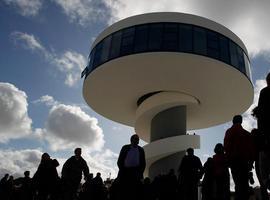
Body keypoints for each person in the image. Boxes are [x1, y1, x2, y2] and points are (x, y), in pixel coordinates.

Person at [224, 115, 255, 200]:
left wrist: (228, 160)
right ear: (241, 121)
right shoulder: (246, 134)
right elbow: (251, 149)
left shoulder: (229, 132)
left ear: (233, 121)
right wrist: (251, 161)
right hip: (244, 161)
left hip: (234, 161)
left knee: (238, 183)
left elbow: (227, 147)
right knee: (244, 183)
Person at [117, 134, 146, 200]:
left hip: (136, 173)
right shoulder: (125, 147)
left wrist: (140, 173)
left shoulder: (141, 150)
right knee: (123, 192)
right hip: (125, 173)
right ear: (131, 140)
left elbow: (143, 163)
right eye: (135, 139)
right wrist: (122, 170)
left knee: (134, 193)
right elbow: (120, 160)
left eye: (138, 139)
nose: (137, 141)